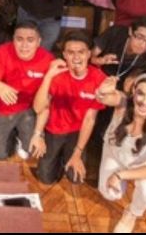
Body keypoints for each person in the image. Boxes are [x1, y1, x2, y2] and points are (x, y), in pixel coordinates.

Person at [94, 75, 146, 233]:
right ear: (133, 92)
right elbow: (106, 98)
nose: (144, 102)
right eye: (141, 94)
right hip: (116, 154)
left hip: (143, 163)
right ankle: (121, 181)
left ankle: (132, 213)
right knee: (109, 193)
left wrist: (120, 175)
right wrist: (102, 92)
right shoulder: (123, 103)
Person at [31, 31, 107, 185]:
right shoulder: (57, 74)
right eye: (71, 52)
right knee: (45, 179)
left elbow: (90, 120)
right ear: (64, 55)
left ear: (89, 54)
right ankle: (58, 158)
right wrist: (38, 134)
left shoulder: (99, 78)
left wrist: (77, 153)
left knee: (76, 178)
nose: (76, 57)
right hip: (54, 129)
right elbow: (39, 108)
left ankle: (66, 156)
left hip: (78, 131)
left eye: (81, 52)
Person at [0, 21, 54, 160]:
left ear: (38, 42)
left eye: (30, 40)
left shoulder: (48, 59)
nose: (24, 45)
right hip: (3, 109)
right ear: (13, 40)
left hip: (30, 110)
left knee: (32, 152)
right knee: (0, 155)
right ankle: (11, 134)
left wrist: (38, 134)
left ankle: (20, 134)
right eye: (19, 39)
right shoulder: (1, 52)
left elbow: (46, 103)